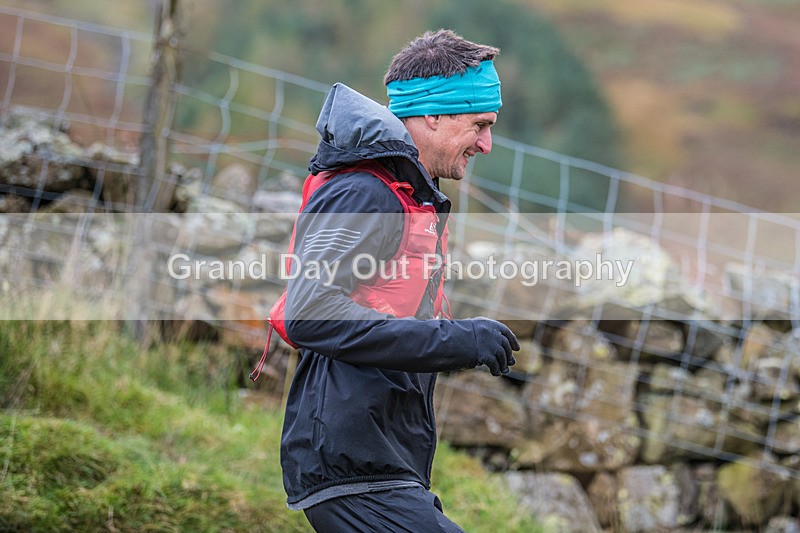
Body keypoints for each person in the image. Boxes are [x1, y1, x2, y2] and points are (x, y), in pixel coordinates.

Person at [278, 29, 519, 532]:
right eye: (479, 125)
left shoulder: (408, 196)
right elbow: (309, 312)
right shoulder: (367, 193)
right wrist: (457, 340)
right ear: (433, 115)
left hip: (383, 467)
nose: (486, 144)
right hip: (353, 471)